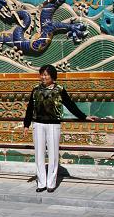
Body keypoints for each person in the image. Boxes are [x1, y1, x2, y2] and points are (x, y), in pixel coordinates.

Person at [23, 64, 96, 193]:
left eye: (46, 74)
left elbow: (70, 105)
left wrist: (83, 117)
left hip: (53, 124)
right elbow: (30, 108)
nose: (43, 77)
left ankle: (51, 182)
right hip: (38, 124)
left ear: (52, 76)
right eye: (42, 74)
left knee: (53, 153)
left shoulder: (59, 89)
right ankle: (41, 183)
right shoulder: (36, 89)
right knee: (39, 153)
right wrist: (26, 124)